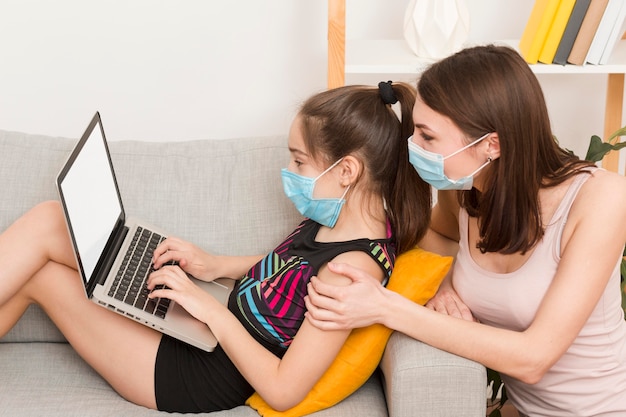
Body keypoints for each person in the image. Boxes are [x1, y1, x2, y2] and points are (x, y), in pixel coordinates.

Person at [0, 82, 431, 413]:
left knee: (39, 273)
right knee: (51, 219)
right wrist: (211, 265)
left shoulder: (349, 274)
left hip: (194, 373)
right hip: (201, 332)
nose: (289, 171)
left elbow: (283, 390)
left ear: (347, 171)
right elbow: (288, 274)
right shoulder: (338, 216)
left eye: (299, 161)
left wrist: (208, 310)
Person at [304, 45, 626, 417]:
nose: (413, 147)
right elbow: (435, 238)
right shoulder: (466, 193)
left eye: (427, 137)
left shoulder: (602, 199)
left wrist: (385, 307)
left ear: (492, 144)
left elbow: (534, 358)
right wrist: (444, 283)